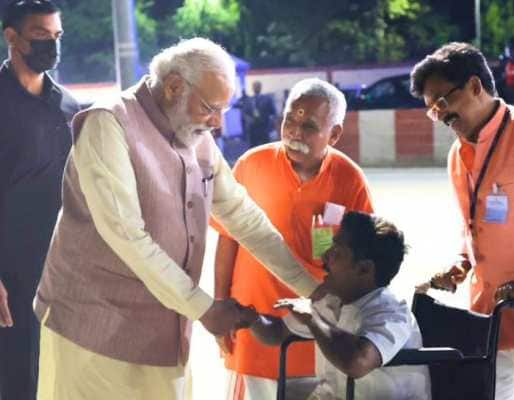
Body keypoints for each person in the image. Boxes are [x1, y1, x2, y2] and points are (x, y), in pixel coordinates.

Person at [33, 38, 321, 400]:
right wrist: (203, 308)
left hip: (164, 332)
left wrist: (313, 290)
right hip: (93, 328)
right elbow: (126, 236)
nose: (217, 123)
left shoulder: (195, 133)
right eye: (210, 108)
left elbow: (241, 216)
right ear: (173, 87)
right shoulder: (108, 124)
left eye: (223, 110)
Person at [410, 42, 514, 400]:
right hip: (486, 316)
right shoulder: (457, 154)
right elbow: (472, 225)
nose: (441, 116)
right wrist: (461, 264)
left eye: (442, 102)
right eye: (433, 111)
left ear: (475, 86)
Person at [212, 78, 374, 399]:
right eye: (290, 119)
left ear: (335, 134)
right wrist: (220, 306)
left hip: (316, 336)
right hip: (250, 326)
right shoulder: (251, 165)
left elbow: (365, 262)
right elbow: (227, 239)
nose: (295, 132)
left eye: (310, 126)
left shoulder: (349, 179)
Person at [247, 211, 431, 400]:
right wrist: (248, 317)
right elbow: (276, 333)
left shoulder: (391, 314)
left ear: (364, 269)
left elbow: (357, 362)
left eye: (337, 252)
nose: (325, 257)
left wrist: (312, 319)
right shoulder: (332, 300)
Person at [0, 1, 79, 399]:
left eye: (56, 36)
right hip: (9, 272)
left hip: (63, 268)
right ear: (10, 36)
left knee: (59, 376)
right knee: (15, 379)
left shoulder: (67, 106)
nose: (51, 44)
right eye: (39, 35)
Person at [243, 80, 277, 148]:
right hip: (253, 129)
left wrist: (271, 124)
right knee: (253, 149)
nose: (256, 88)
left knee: (266, 148)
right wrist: (249, 120)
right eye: (255, 86)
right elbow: (245, 113)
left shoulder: (267, 99)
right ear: (252, 88)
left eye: (258, 86)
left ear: (260, 88)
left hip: (264, 128)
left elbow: (273, 113)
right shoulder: (249, 100)